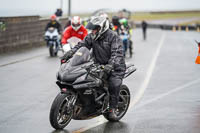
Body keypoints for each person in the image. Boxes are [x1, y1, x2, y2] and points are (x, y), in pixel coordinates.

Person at [61, 16, 126, 119]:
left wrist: (110, 65)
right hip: (98, 64)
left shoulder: (113, 37)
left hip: (115, 66)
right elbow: (81, 46)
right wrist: (70, 53)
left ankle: (112, 109)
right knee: (85, 80)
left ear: (102, 27)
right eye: (92, 29)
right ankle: (88, 103)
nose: (93, 31)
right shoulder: (91, 36)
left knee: (113, 84)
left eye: (95, 29)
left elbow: (117, 53)